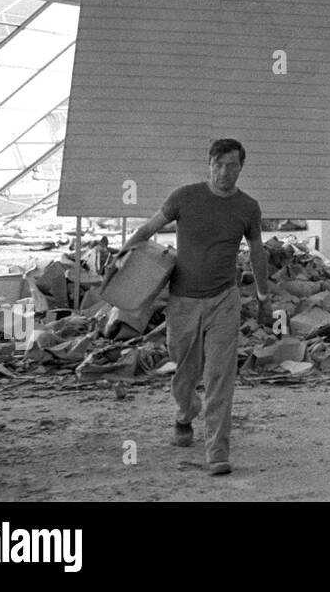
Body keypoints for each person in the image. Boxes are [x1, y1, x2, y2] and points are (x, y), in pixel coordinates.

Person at [116, 138, 271, 475]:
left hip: (224, 301)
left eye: (231, 165)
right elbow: (148, 228)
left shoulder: (248, 208)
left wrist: (263, 297)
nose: (224, 172)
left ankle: (217, 451)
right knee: (185, 370)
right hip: (183, 301)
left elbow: (257, 251)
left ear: (241, 168)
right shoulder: (184, 197)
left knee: (220, 376)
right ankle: (185, 413)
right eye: (218, 164)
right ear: (208, 164)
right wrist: (121, 257)